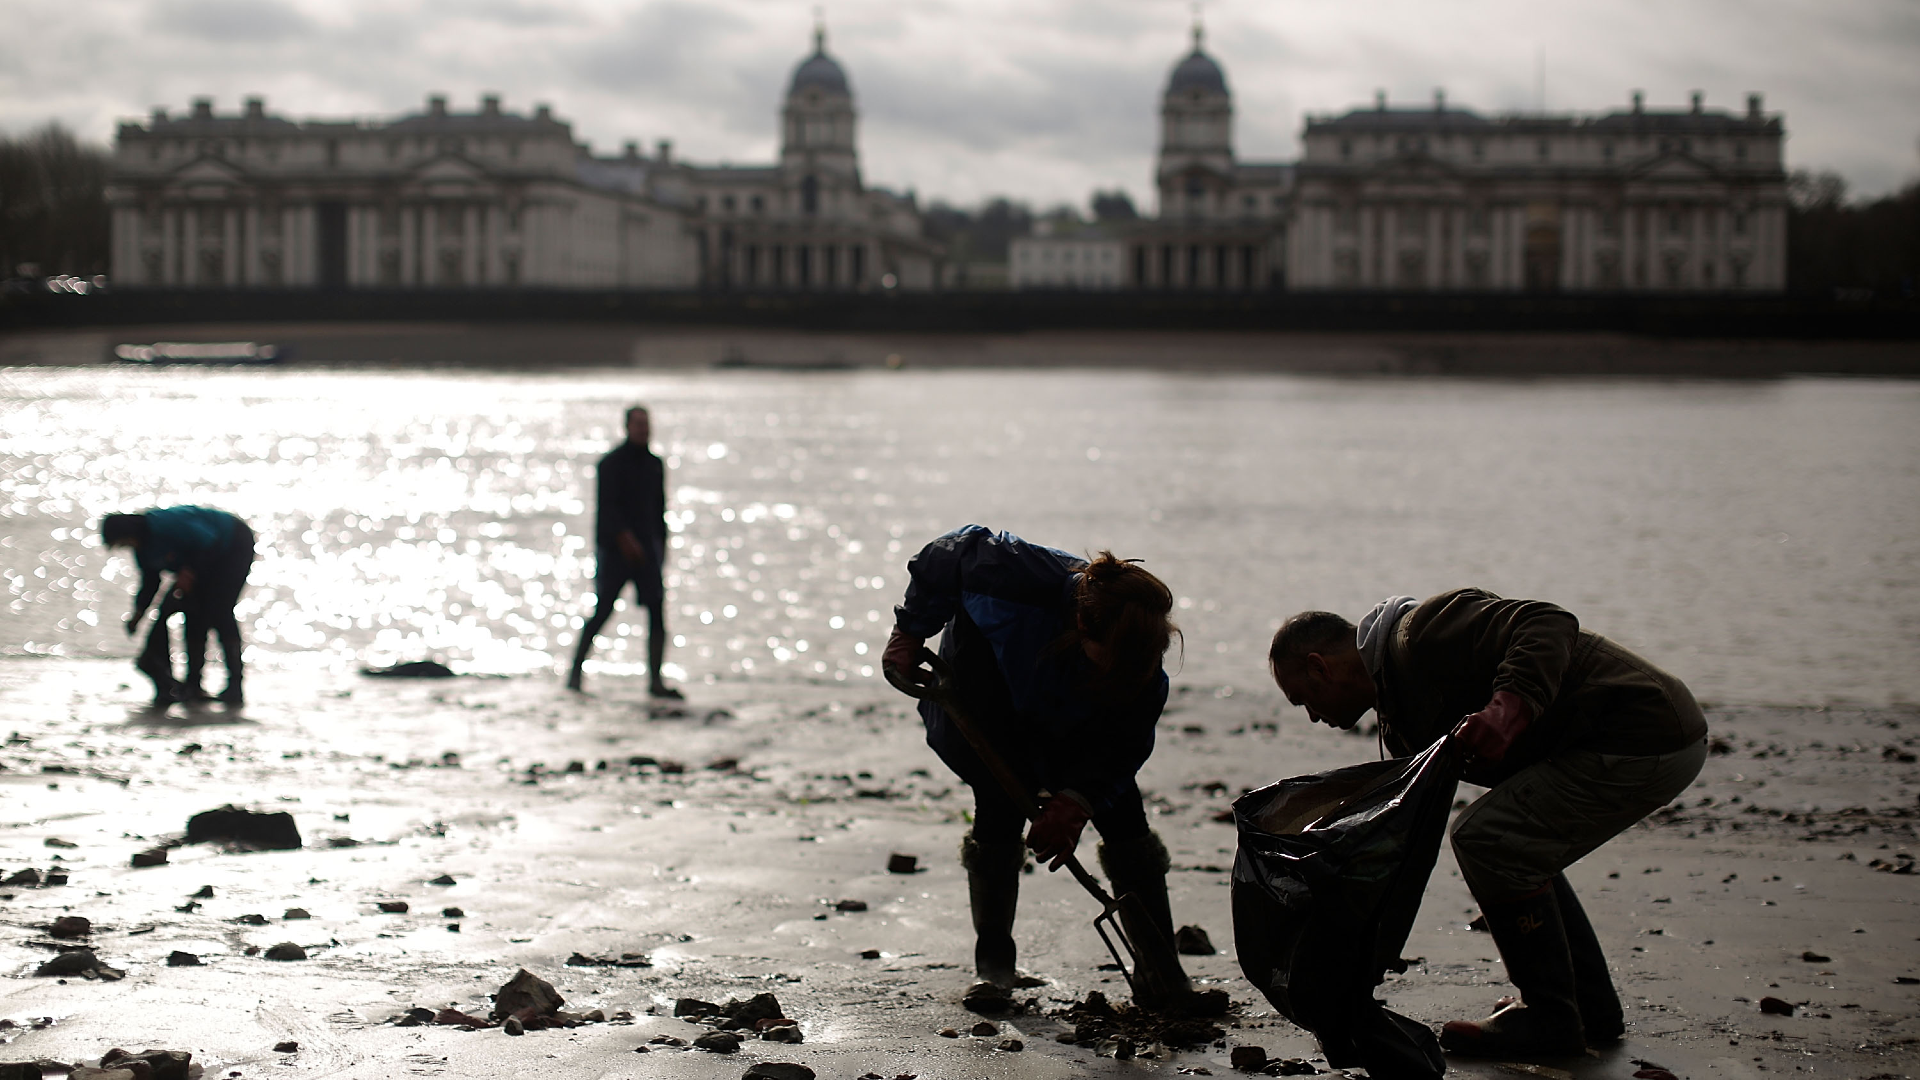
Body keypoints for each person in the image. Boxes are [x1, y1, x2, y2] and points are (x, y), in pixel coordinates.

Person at [1267, 588, 1709, 1058]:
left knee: (1490, 839)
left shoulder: (1422, 631)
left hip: (1646, 727)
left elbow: (1547, 621)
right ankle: (1586, 1010)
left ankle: (1550, 1019)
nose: (1314, 717)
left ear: (1320, 667)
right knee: (1515, 844)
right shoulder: (1400, 725)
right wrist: (1361, 963)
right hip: (1619, 743)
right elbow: (1408, 846)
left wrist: (1508, 707)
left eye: (1304, 701)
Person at [883, 525, 1187, 1003]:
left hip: (1075, 726)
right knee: (999, 807)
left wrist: (1077, 800)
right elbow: (947, 556)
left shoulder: (1142, 670)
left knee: (1125, 817)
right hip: (985, 700)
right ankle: (995, 970)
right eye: (1109, 663)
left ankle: (1162, 974)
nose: (1126, 674)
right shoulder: (1014, 574)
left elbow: (1124, 746)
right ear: (1084, 627)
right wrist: (910, 631)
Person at [568, 405, 680, 698]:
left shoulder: (655, 465)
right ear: (627, 427)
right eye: (639, 424)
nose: (644, 429)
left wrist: (662, 549)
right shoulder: (610, 464)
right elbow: (608, 511)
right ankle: (575, 673)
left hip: (648, 552)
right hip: (616, 552)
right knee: (603, 610)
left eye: (647, 424)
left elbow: (660, 511)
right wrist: (625, 540)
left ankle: (655, 681)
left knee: (657, 613)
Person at [101, 506, 255, 706]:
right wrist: (138, 615)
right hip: (205, 556)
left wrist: (189, 571)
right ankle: (193, 685)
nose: (124, 547)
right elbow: (150, 583)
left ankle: (235, 685)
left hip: (232, 543)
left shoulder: (163, 526)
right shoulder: (142, 549)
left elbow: (208, 540)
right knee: (194, 616)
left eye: (121, 542)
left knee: (220, 611)